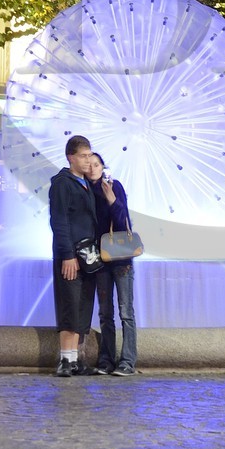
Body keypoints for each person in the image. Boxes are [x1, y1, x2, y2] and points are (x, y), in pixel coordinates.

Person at [48, 135, 100, 377]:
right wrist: (67, 255)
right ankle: (64, 361)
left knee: (82, 306)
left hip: (88, 257)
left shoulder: (86, 182)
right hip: (70, 255)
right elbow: (59, 221)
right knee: (69, 304)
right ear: (71, 157)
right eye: (83, 156)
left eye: (90, 155)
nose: (88, 160)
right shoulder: (62, 183)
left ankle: (76, 359)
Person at [88, 152, 138, 376]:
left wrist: (112, 200)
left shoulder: (114, 186)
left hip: (121, 259)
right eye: (89, 165)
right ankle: (106, 360)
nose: (93, 169)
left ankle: (127, 361)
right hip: (101, 259)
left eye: (97, 164)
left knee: (126, 312)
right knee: (105, 314)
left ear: (102, 166)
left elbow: (124, 221)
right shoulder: (85, 191)